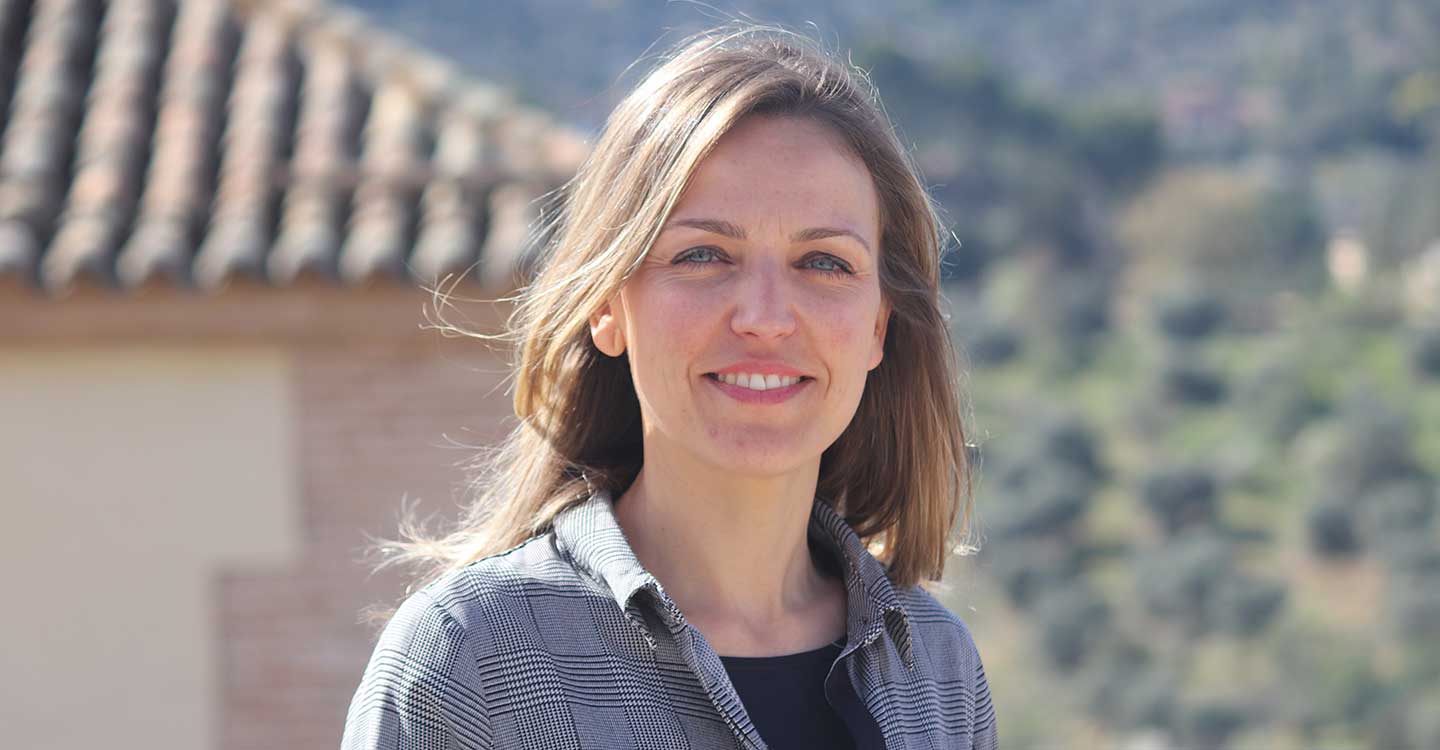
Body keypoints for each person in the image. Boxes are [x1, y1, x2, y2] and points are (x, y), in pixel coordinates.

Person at [341, 23, 997, 750]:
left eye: (824, 263)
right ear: (606, 306)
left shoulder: (937, 670)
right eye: (703, 255)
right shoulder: (467, 662)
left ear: (878, 325)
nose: (765, 318)